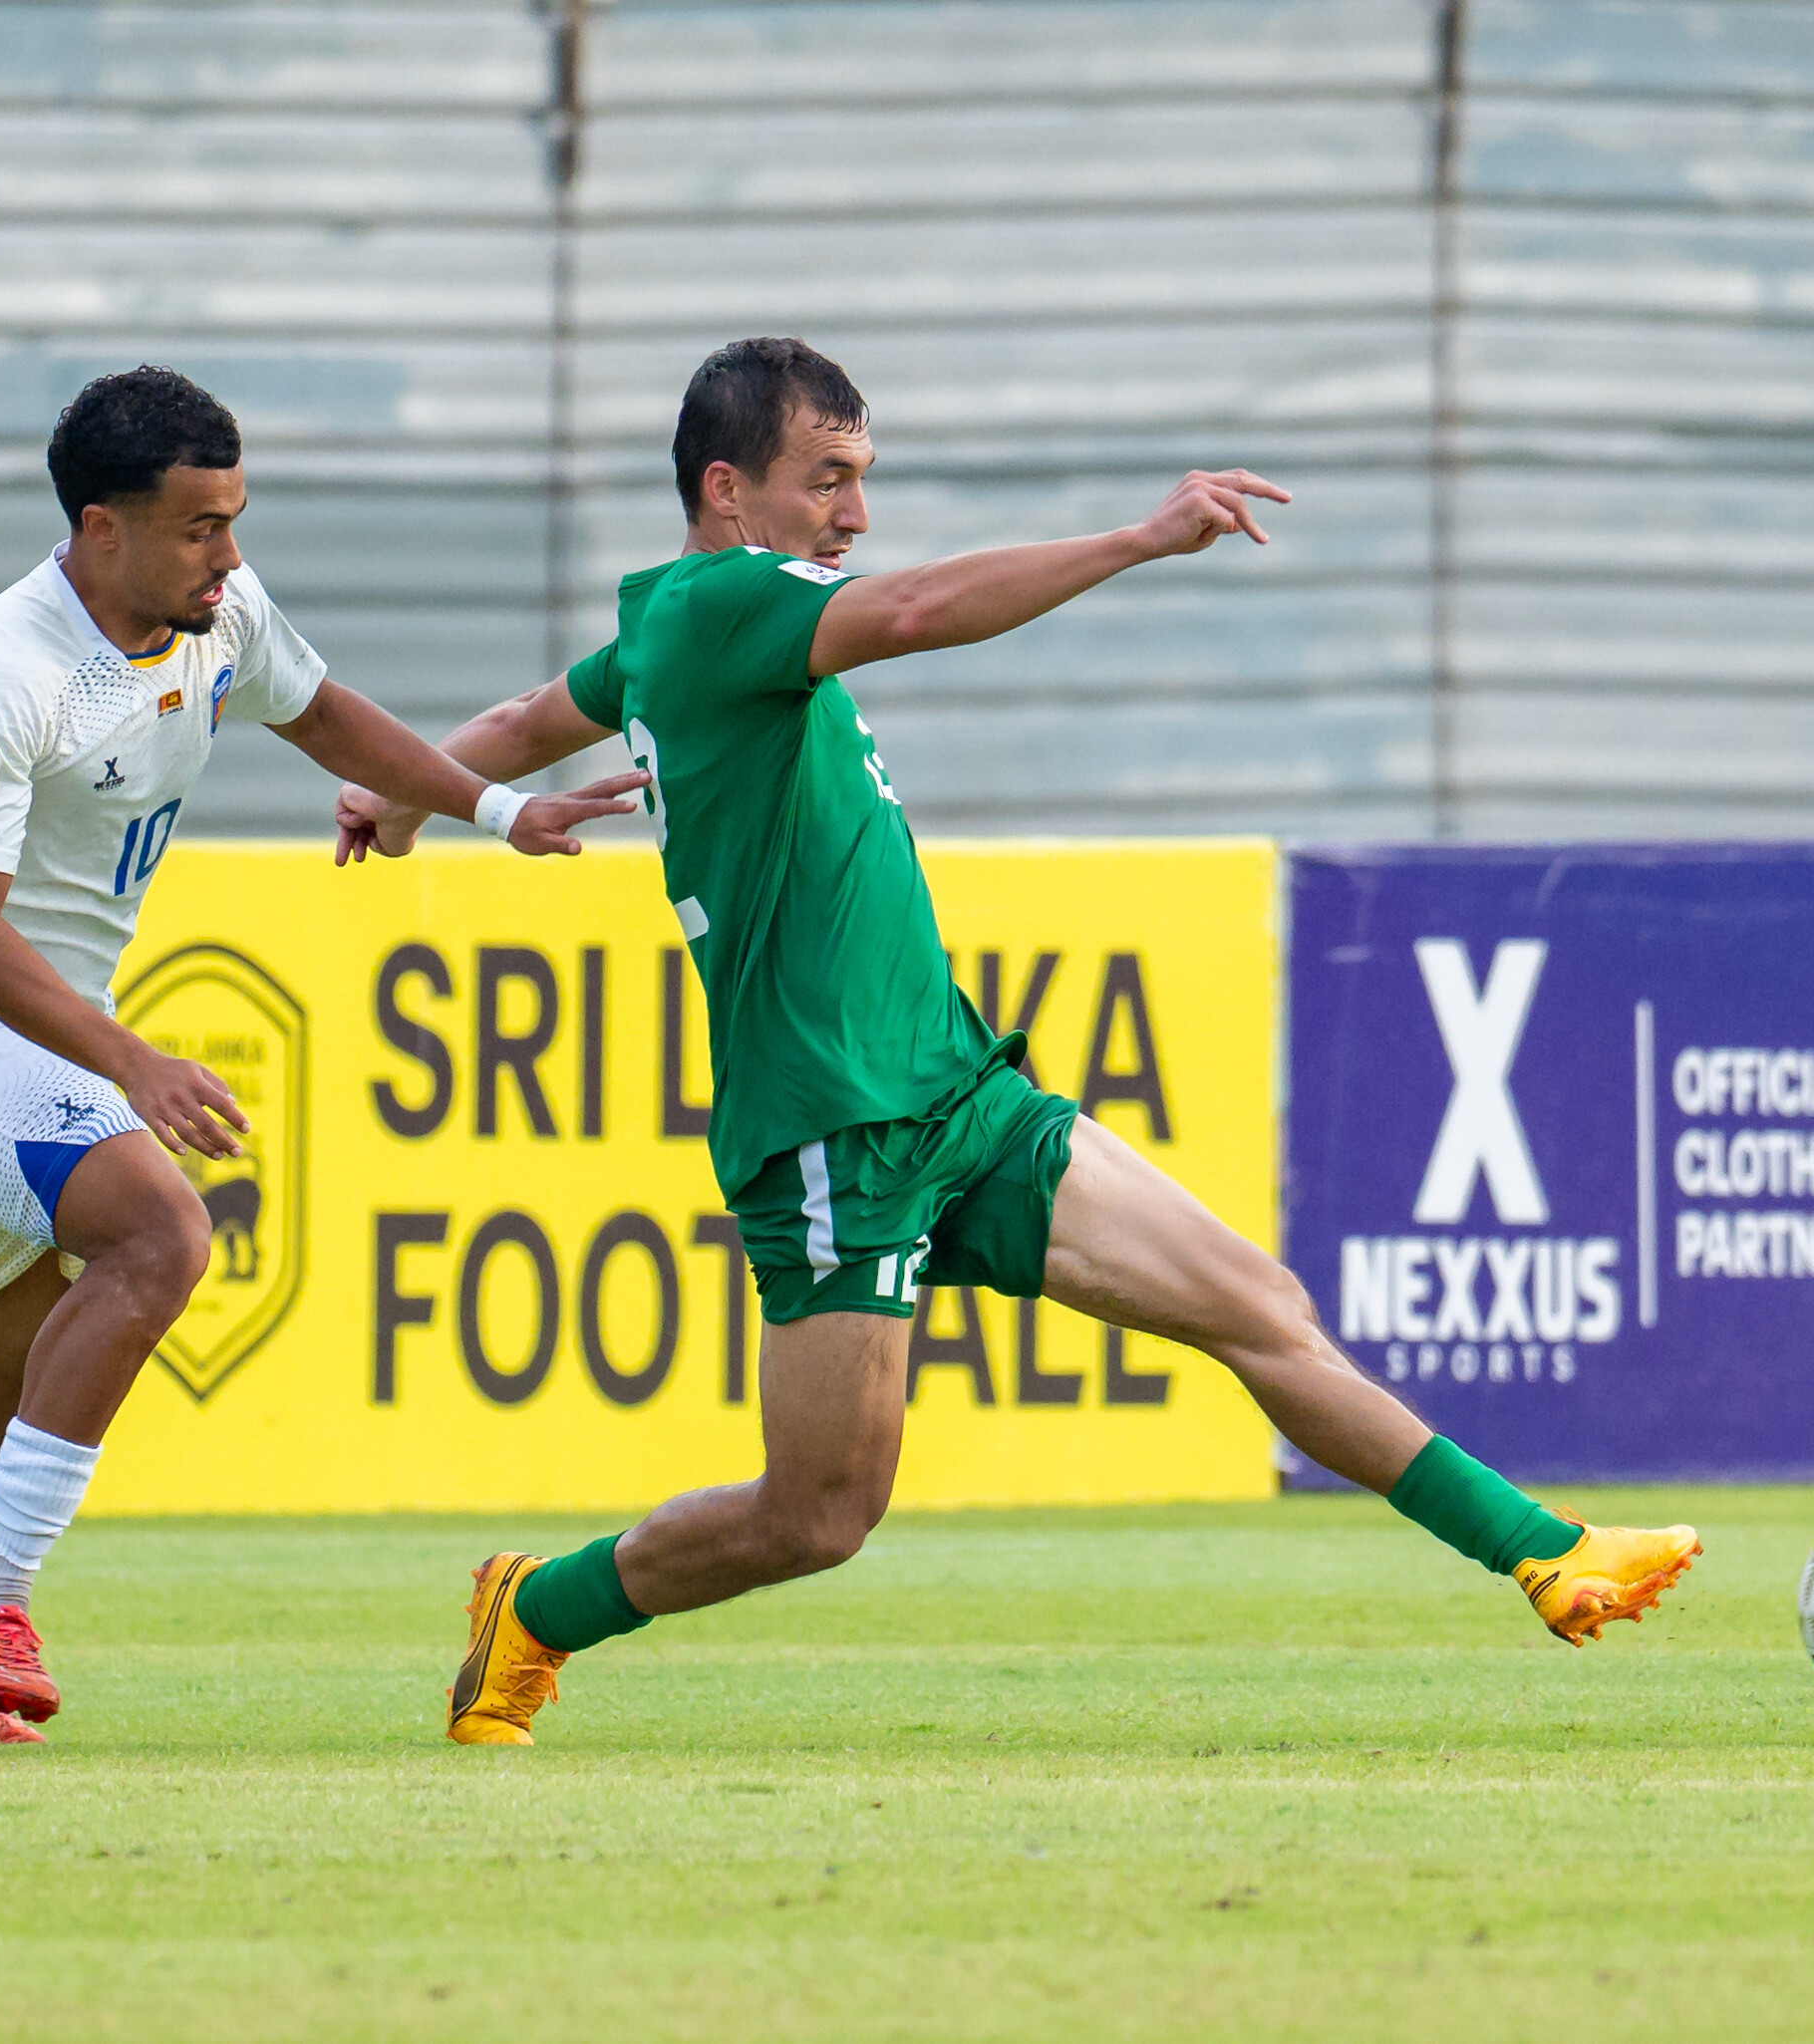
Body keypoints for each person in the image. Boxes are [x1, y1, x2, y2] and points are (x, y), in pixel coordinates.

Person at [332, 338, 1701, 1746]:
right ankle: (539, 1609)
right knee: (819, 1516)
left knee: (1258, 1304)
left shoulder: (679, 630)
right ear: (728, 491)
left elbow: (529, 718)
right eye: (828, 480)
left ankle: (1545, 1552)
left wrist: (409, 792)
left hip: (956, 1093)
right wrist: (1138, 540)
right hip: (835, 1129)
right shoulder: (727, 602)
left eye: (863, 479)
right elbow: (919, 609)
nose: (857, 514)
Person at [0, 366, 642, 1743]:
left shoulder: (221, 615)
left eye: (235, 520)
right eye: (200, 527)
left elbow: (321, 712)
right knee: (161, 1235)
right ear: (101, 530)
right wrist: (133, 1065)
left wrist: (496, 811)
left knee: (7, 1366)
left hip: (37, 1033)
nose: (229, 555)